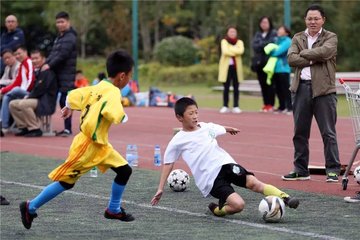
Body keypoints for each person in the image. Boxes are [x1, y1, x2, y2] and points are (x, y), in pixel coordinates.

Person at [19, 49, 135, 230]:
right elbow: (110, 111)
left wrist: (68, 106)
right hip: (87, 146)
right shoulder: (113, 93)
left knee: (125, 171)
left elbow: (74, 95)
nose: (130, 80)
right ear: (121, 76)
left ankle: (113, 209)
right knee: (66, 182)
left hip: (101, 146)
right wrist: (121, 117)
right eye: (130, 76)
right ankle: (30, 206)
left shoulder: (98, 86)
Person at [151, 97, 299, 217]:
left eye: (196, 112)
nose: (195, 116)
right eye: (191, 113)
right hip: (210, 180)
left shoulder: (206, 126)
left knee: (253, 183)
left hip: (226, 164)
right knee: (238, 205)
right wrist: (160, 188)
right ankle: (217, 210)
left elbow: (218, 128)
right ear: (179, 117)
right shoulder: (178, 140)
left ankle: (285, 197)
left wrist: (229, 129)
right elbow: (168, 163)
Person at [282, 4, 341, 182]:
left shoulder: (331, 36)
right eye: (309, 18)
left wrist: (305, 54)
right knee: (299, 132)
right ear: (305, 20)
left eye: (316, 18)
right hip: (300, 89)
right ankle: (300, 170)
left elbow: (326, 51)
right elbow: (291, 59)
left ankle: (333, 169)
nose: (312, 21)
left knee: (328, 132)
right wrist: (313, 59)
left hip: (324, 90)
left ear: (323, 19)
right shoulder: (298, 37)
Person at [41, 11, 77, 137]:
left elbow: (62, 55)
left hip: (66, 74)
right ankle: (59, 127)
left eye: (62, 22)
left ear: (68, 22)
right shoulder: (60, 37)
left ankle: (68, 128)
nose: (60, 24)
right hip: (57, 73)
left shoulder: (70, 37)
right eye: (58, 22)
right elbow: (53, 54)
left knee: (65, 100)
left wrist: (49, 65)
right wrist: (44, 64)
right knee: (60, 99)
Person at [9, 50, 57, 137]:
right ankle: (24, 127)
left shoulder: (48, 72)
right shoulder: (38, 71)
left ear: (43, 59)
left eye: (36, 58)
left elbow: (41, 90)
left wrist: (28, 97)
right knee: (13, 104)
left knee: (24, 104)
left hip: (45, 102)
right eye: (32, 59)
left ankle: (35, 128)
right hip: (37, 99)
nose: (34, 61)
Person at [0, 45, 34, 133]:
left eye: (19, 53)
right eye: (16, 54)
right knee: (7, 97)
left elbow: (31, 79)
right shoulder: (22, 66)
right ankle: (4, 126)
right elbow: (16, 82)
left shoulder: (29, 62)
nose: (18, 56)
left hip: (28, 92)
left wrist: (27, 93)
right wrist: (3, 90)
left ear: (25, 52)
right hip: (20, 90)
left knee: (14, 90)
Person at [251, 16, 277, 112]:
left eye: (266, 22)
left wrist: (261, 44)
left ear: (269, 23)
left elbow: (273, 44)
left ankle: (271, 104)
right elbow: (254, 46)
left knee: (270, 84)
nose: (264, 24)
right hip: (259, 64)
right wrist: (265, 45)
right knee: (262, 84)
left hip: (269, 64)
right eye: (262, 22)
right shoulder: (258, 34)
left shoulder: (273, 33)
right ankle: (265, 104)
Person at [265, 25, 292, 114]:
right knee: (278, 89)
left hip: (284, 68)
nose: (278, 31)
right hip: (275, 69)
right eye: (279, 29)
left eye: (281, 29)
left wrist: (272, 51)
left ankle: (290, 107)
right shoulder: (277, 40)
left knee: (285, 89)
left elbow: (277, 52)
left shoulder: (288, 41)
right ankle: (282, 107)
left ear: (286, 32)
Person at [218, 26, 244, 114]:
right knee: (226, 87)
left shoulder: (240, 42)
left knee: (236, 87)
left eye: (234, 32)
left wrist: (231, 50)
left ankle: (236, 106)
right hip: (226, 68)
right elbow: (225, 51)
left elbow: (241, 51)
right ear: (228, 33)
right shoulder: (224, 41)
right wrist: (235, 50)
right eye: (231, 32)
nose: (232, 33)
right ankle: (225, 105)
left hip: (236, 68)